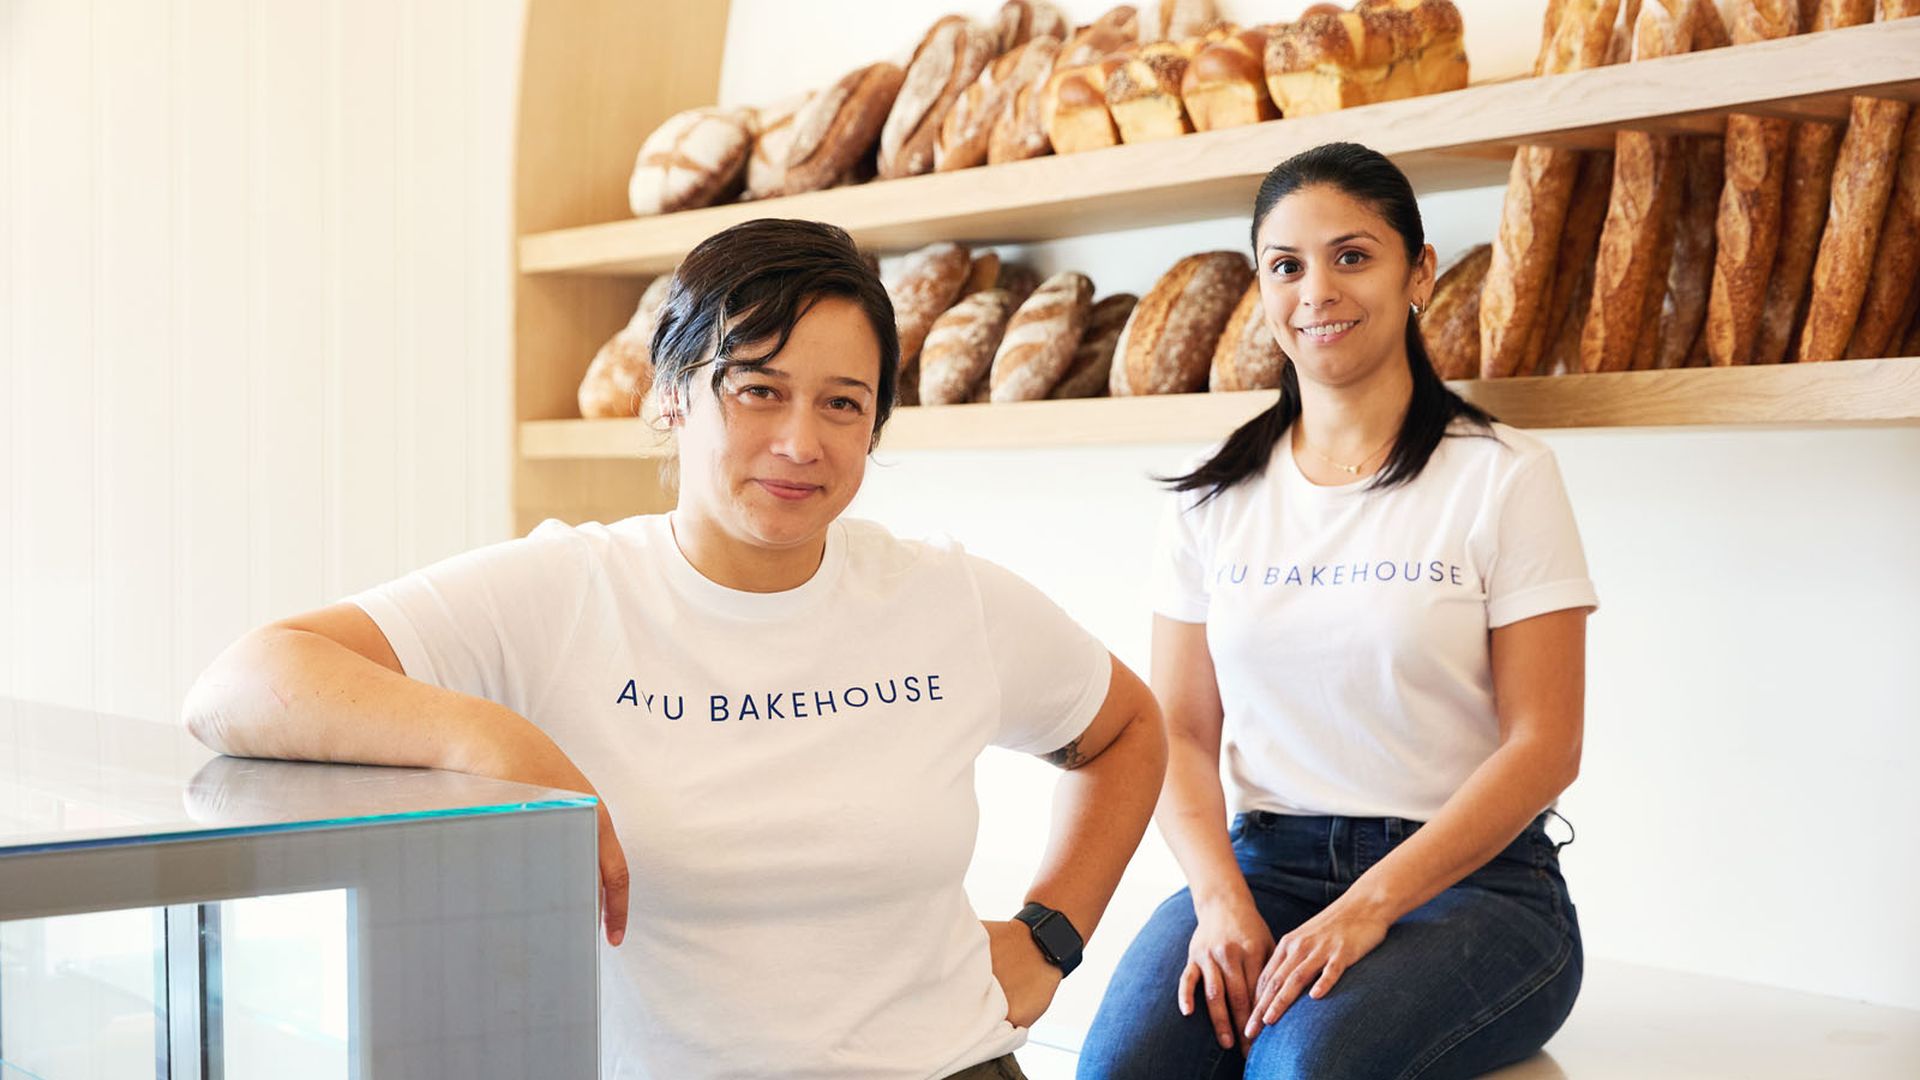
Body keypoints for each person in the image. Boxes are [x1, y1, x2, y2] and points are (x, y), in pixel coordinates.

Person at [183, 218, 1167, 1080]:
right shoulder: (563, 590)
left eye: (842, 403)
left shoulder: (948, 598)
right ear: (669, 397)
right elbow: (244, 682)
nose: (800, 440)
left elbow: (1127, 727)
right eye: (757, 389)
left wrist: (1052, 934)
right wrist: (495, 745)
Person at [1077, 142, 1597, 1080]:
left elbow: (1545, 746)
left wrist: (1369, 905)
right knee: (1120, 1070)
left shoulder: (1504, 478)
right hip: (1265, 866)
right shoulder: (1210, 501)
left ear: (1419, 272)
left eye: (1352, 256)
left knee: (1301, 1070)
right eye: (1287, 265)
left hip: (1478, 888)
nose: (1317, 290)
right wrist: (1218, 899)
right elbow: (1181, 736)